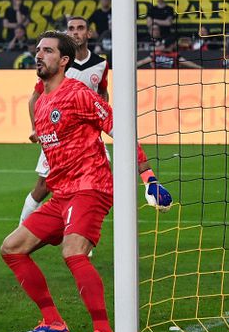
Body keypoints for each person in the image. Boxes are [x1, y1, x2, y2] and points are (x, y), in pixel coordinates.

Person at [0, 30, 168, 332]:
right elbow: (55, 158)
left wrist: (146, 173)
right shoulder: (41, 103)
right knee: (12, 248)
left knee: (73, 251)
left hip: (90, 186)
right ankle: (53, 322)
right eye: (38, 50)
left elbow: (119, 127)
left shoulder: (78, 93)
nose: (39, 55)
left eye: (47, 51)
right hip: (62, 193)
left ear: (64, 61)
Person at [23, 18, 174, 221]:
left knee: (96, 181)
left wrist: (99, 116)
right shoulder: (56, 66)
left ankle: (81, 234)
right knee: (43, 187)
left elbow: (103, 93)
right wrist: (36, 128)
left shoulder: (100, 64)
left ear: (89, 33)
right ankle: (25, 227)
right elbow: (36, 97)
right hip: (59, 135)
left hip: (86, 135)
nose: (75, 32)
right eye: (70, 29)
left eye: (80, 28)